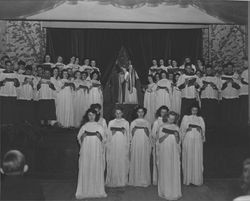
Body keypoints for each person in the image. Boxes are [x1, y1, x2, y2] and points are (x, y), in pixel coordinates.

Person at [76, 108, 107, 199]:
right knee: (86, 167)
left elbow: (104, 140)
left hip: (96, 152)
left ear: (96, 116)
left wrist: (100, 137)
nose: (91, 117)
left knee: (95, 167)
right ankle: (85, 190)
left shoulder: (99, 127)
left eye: (93, 115)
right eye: (89, 115)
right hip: (86, 152)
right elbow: (79, 138)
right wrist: (82, 137)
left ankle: (97, 190)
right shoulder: (84, 126)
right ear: (87, 116)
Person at [156, 111, 182, 200]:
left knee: (173, 169)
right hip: (164, 151)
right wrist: (166, 135)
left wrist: (176, 136)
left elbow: (178, 142)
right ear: (166, 117)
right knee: (165, 169)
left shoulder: (176, 127)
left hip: (174, 152)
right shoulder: (162, 127)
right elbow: (159, 141)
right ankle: (165, 191)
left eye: (173, 119)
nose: (171, 120)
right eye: (170, 118)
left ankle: (174, 191)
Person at [180, 104, 205, 186]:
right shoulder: (186, 117)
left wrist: (200, 130)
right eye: (193, 110)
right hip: (188, 138)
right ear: (190, 110)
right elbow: (182, 128)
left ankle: (196, 180)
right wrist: (187, 128)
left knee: (197, 157)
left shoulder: (200, 118)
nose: (194, 112)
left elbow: (203, 130)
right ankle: (188, 179)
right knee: (188, 156)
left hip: (197, 139)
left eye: (196, 110)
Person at [106, 107, 130, 187]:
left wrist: (124, 133)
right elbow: (107, 135)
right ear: (114, 114)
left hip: (122, 144)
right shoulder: (111, 122)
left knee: (122, 160)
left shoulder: (126, 123)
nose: (118, 115)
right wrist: (112, 133)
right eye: (117, 113)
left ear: (122, 113)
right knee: (114, 159)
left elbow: (128, 135)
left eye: (120, 113)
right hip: (113, 144)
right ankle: (113, 180)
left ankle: (122, 180)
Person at [129, 106, 151, 187]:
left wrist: (146, 131)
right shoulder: (133, 122)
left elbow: (149, 135)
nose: (140, 113)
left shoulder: (147, 122)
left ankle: (144, 179)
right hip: (136, 143)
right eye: (139, 112)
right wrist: (134, 130)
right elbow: (130, 135)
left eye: (142, 112)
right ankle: (135, 179)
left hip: (144, 143)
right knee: (136, 158)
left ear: (144, 113)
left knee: (144, 158)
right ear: (136, 113)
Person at [151, 106, 169, 185]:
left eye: (165, 112)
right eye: (162, 112)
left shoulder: (170, 121)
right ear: (159, 113)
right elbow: (153, 135)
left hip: (167, 145)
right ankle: (158, 180)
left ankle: (166, 180)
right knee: (158, 162)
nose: (164, 114)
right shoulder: (156, 122)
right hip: (159, 144)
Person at [220, 62, 241, 126]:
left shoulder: (236, 76)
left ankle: (234, 127)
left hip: (234, 97)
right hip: (225, 97)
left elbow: (239, 87)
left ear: (233, 68)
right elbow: (221, 88)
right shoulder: (223, 76)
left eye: (231, 67)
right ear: (226, 68)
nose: (229, 69)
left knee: (234, 114)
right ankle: (226, 127)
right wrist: (226, 83)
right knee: (225, 113)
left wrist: (233, 83)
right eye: (228, 67)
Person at [0, 60, 20, 125]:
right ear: (5, 66)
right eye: (7, 65)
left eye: (10, 65)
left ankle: (11, 122)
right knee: (4, 109)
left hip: (12, 93)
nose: (8, 67)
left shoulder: (14, 74)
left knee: (12, 109)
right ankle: (3, 122)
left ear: (11, 66)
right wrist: (2, 82)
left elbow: (18, 85)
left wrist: (16, 81)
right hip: (3, 93)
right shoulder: (1, 73)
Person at [239, 57, 248, 126]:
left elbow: (243, 81)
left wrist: (241, 80)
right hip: (243, 93)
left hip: (246, 93)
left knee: (245, 109)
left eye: (244, 62)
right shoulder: (244, 71)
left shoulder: (246, 71)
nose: (243, 64)